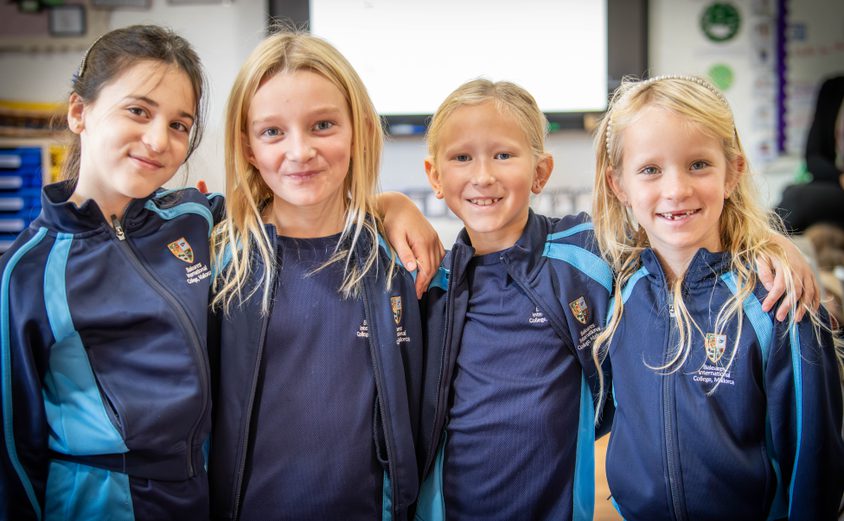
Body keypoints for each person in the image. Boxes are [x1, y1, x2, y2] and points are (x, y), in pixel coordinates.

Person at [415, 78, 824, 521]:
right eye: (461, 157)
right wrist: (389, 205)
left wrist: (771, 245)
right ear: (435, 176)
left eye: (503, 155)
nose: (483, 175)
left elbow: (674, 234)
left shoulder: (587, 256)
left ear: (541, 172)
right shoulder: (427, 280)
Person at [591, 75, 844, 520]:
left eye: (698, 165)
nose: (676, 189)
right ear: (619, 185)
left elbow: (814, 455)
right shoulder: (616, 287)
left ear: (733, 173)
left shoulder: (776, 301)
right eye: (650, 169)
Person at [0, 25, 222, 520]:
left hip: (197, 490)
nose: (157, 139)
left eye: (179, 124)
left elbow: (292, 209)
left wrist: (390, 204)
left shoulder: (198, 218)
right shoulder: (27, 271)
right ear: (80, 112)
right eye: (138, 111)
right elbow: (15, 448)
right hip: (97, 498)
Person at [207, 30, 424, 520]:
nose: (299, 151)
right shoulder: (220, 264)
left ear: (361, 130)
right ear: (247, 147)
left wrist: (392, 206)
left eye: (322, 124)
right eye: (272, 132)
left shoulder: (396, 259)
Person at [776, 74, 844, 233]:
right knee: (790, 191)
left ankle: (754, 249)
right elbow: (814, 158)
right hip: (834, 181)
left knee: (797, 198)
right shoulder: (833, 88)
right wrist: (839, 177)